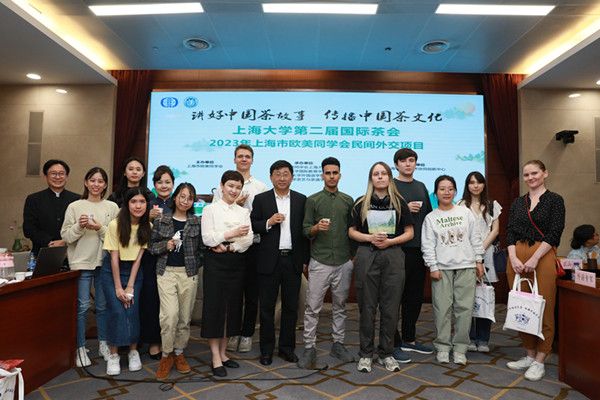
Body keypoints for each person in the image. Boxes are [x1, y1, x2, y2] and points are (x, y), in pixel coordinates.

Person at [349, 162, 414, 373]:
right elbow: (351, 231)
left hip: (393, 255)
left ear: (389, 177)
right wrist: (370, 237)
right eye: (376, 174)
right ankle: (366, 354)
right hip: (367, 254)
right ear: (371, 178)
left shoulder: (399, 202)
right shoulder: (361, 203)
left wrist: (390, 242)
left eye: (383, 173)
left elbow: (410, 232)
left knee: (390, 307)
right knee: (367, 307)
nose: (380, 177)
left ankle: (386, 353)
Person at [505, 160, 565, 381]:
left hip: (542, 256)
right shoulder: (518, 202)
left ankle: (540, 359)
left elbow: (555, 232)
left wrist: (535, 258)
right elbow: (510, 231)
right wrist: (513, 257)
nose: (530, 178)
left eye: (534, 173)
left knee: (544, 307)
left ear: (544, 173)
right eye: (526, 174)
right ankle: (529, 355)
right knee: (521, 306)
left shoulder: (555, 200)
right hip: (516, 258)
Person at [297, 157, 355, 369]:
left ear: (340, 175)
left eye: (335, 173)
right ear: (322, 175)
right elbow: (305, 230)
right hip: (320, 261)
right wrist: (316, 228)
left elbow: (353, 230)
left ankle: (338, 344)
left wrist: (352, 257)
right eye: (328, 173)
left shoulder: (348, 200)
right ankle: (309, 348)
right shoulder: (312, 200)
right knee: (312, 307)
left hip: (343, 260)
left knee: (340, 306)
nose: (331, 176)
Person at [250, 160, 309, 366]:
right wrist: (269, 222)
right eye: (277, 174)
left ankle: (286, 348)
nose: (282, 178)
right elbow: (253, 224)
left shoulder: (301, 200)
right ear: (271, 177)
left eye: (285, 174)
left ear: (292, 177)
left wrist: (304, 260)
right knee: (266, 308)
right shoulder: (261, 199)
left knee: (291, 308)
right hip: (269, 261)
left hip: (292, 260)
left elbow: (305, 233)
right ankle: (266, 350)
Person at [422, 175, 484, 366]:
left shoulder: (465, 212)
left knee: (464, 310)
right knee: (442, 309)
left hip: (466, 266)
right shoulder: (431, 218)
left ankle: (460, 349)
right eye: (442, 189)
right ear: (436, 193)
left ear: (455, 191)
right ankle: (442, 347)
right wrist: (432, 266)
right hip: (442, 269)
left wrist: (479, 260)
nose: (446, 192)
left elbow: (475, 237)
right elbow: (427, 245)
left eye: (450, 189)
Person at [61, 167, 119, 367]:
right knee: (82, 307)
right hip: (81, 263)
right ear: (86, 182)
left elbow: (116, 237)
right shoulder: (74, 206)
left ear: (105, 185)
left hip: (104, 263)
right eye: (92, 180)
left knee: (102, 306)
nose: (96, 184)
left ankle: (103, 343)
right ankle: (80, 347)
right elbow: (66, 236)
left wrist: (98, 227)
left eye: (100, 181)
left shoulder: (112, 207)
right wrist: (79, 226)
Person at [214, 145, 268, 354]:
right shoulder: (222, 185)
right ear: (234, 159)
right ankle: (233, 332)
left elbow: (263, 217)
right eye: (240, 156)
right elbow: (215, 213)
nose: (244, 159)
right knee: (233, 293)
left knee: (252, 292)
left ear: (252, 160)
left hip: (253, 245)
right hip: (229, 247)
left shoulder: (261, 187)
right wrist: (235, 201)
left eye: (247, 156)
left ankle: (247, 334)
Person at [201, 171, 254, 376]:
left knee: (232, 308)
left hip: (236, 261)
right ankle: (215, 356)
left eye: (238, 187)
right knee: (215, 308)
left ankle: (223, 354)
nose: (234, 190)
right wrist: (231, 234)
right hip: (215, 262)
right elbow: (208, 238)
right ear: (222, 186)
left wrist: (230, 246)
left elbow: (248, 239)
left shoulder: (243, 212)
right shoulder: (210, 209)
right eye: (230, 186)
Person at [151, 183, 203, 380]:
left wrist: (194, 265)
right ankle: (166, 355)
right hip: (166, 273)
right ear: (175, 197)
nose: (185, 201)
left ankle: (179, 352)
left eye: (189, 198)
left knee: (184, 317)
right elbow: (151, 247)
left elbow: (202, 250)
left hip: (188, 274)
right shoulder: (162, 219)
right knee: (169, 316)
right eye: (182, 196)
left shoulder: (196, 222)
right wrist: (166, 245)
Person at [101, 187, 152, 376]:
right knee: (116, 310)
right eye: (134, 202)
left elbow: (139, 258)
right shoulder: (115, 225)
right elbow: (114, 258)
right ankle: (114, 354)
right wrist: (118, 287)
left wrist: (130, 285)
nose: (138, 206)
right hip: (112, 271)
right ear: (127, 204)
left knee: (132, 310)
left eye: (142, 202)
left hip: (134, 272)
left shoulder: (148, 226)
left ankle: (133, 351)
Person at [391, 148, 434, 362]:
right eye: (403, 161)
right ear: (396, 165)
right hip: (395, 248)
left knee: (414, 297)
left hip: (418, 249)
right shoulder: (390, 186)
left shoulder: (421, 186)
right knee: (393, 297)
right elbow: (381, 216)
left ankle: (409, 338)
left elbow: (429, 218)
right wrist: (404, 209)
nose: (408, 164)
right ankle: (393, 341)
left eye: (411, 160)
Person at [457, 171, 501, 353]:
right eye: (471, 182)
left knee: (485, 296)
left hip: (486, 254)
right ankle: (468, 337)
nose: (475, 186)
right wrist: (474, 251)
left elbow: (495, 230)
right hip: (466, 255)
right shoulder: (460, 205)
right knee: (467, 299)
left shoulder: (492, 205)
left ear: (484, 185)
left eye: (479, 182)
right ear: (467, 185)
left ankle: (483, 339)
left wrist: (480, 249)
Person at [140, 165, 175, 361]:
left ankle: (170, 341)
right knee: (152, 300)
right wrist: (147, 217)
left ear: (173, 184)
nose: (164, 185)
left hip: (173, 259)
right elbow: (135, 228)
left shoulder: (178, 203)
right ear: (154, 185)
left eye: (168, 182)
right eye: (160, 182)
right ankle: (154, 342)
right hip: (151, 259)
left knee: (170, 304)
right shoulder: (147, 204)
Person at [23, 159, 80, 256]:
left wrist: (64, 241)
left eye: (61, 173)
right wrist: (49, 242)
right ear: (45, 176)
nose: (57, 177)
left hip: (72, 252)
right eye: (53, 173)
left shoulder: (77, 199)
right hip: (41, 251)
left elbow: (80, 226)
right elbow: (29, 228)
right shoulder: (34, 199)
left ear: (66, 176)